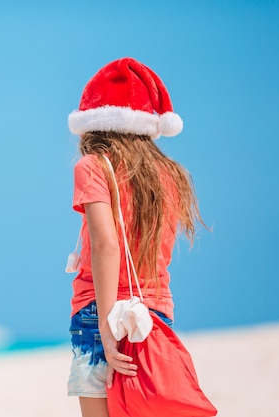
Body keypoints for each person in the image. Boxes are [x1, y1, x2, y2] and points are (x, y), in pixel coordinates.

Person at [65, 57, 205, 417]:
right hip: (154, 311)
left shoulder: (94, 166)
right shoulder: (169, 174)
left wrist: (107, 324)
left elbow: (106, 243)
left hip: (100, 307)